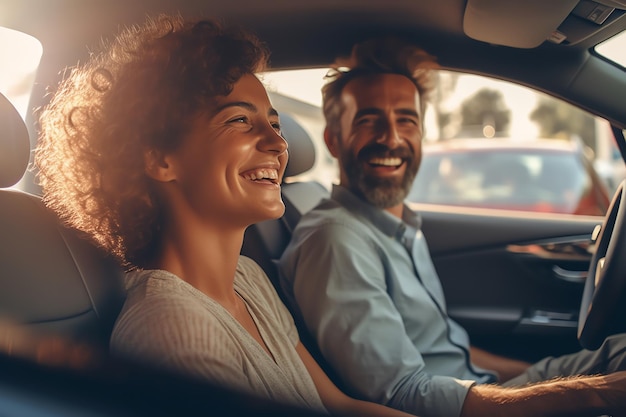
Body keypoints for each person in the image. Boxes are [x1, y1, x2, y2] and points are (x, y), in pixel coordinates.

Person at [34, 15, 418, 417]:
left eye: (274, 123)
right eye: (240, 120)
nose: (277, 143)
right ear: (160, 159)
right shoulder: (173, 334)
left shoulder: (247, 279)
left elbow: (338, 406)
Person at [278, 36, 626, 417]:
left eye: (406, 120)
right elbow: (401, 396)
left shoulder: (398, 223)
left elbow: (444, 347)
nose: (391, 138)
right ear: (333, 139)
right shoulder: (335, 240)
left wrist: (538, 382)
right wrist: (594, 394)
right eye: (368, 120)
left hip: (476, 390)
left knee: (617, 352)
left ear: (420, 135)